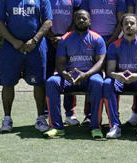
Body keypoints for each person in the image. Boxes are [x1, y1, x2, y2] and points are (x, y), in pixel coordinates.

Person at [0, 0, 53, 133]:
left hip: (36, 47)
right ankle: (7, 119)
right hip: (11, 47)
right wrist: (13, 41)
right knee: (8, 83)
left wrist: (34, 40)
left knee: (39, 82)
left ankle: (40, 118)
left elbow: (48, 21)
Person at [45, 9, 106, 139]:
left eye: (84, 18)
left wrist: (86, 75)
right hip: (69, 77)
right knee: (51, 82)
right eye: (78, 18)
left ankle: (95, 126)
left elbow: (100, 62)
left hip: (89, 76)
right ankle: (57, 127)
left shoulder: (97, 38)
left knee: (98, 82)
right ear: (74, 21)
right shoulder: (65, 39)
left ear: (90, 21)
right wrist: (65, 74)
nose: (81, 20)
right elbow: (59, 62)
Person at [76, 0, 124, 125]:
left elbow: (121, 21)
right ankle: (90, 115)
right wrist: (93, 39)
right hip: (92, 43)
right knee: (92, 78)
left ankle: (113, 114)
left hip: (112, 41)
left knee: (112, 79)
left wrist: (112, 40)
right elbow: (84, 19)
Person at [102, 12, 137, 139]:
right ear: (122, 27)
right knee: (107, 83)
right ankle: (115, 126)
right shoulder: (114, 46)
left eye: (132, 23)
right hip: (120, 80)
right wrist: (117, 75)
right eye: (126, 23)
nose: (129, 26)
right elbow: (110, 71)